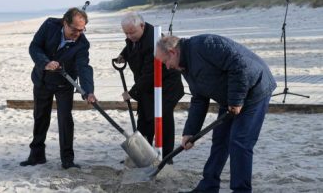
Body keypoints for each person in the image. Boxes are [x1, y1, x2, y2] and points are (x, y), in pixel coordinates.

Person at [155, 35, 277, 193]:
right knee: (220, 139)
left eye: (165, 62)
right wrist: (190, 132)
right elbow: (199, 99)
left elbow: (239, 65)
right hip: (231, 96)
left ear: (172, 52)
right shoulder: (184, 66)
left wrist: (236, 101)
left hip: (255, 89)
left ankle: (241, 190)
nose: (167, 67)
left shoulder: (205, 45)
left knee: (239, 142)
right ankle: (209, 186)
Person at [20, 7, 97, 169]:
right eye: (74, 29)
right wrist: (45, 63)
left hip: (64, 84)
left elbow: (84, 67)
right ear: (64, 23)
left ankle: (67, 160)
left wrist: (88, 91)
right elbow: (34, 47)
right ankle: (37, 156)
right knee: (40, 117)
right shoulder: (49, 25)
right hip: (42, 79)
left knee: (65, 119)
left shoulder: (82, 44)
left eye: (81, 30)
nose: (77, 34)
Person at [115, 12, 184, 162]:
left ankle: (166, 157)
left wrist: (132, 93)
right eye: (126, 32)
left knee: (162, 119)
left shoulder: (154, 41)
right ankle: (141, 155)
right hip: (148, 86)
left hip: (166, 87)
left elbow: (150, 73)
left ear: (142, 25)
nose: (129, 35)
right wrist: (123, 55)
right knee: (145, 117)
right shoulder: (136, 36)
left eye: (132, 32)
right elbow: (131, 45)